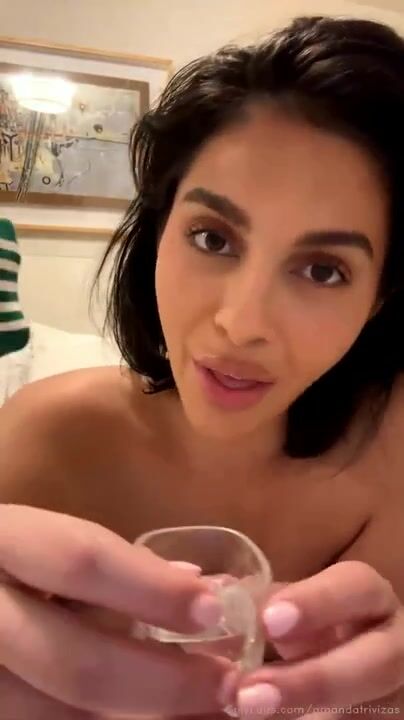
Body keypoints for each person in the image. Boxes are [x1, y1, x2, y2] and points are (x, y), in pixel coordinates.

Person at [1, 13, 404, 719]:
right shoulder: (47, 437)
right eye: (213, 238)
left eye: (322, 270)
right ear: (159, 233)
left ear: (378, 299)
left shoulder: (393, 439)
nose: (241, 324)